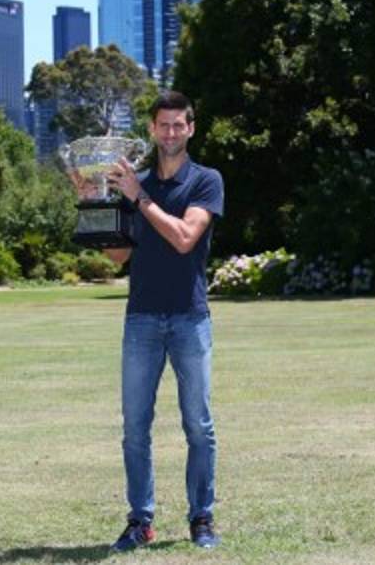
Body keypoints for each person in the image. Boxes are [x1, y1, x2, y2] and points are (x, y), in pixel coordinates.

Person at [101, 91, 225, 552]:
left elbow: (184, 238)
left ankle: (202, 517)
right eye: (163, 125)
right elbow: (117, 255)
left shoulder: (205, 181)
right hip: (141, 321)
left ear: (191, 129)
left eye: (179, 125)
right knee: (135, 427)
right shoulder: (139, 182)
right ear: (152, 130)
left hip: (190, 319)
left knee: (198, 425)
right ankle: (141, 520)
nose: (171, 132)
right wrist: (94, 205)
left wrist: (141, 197)